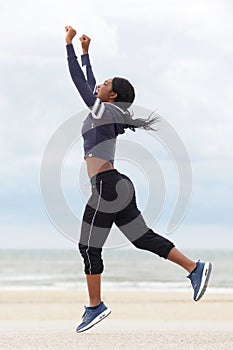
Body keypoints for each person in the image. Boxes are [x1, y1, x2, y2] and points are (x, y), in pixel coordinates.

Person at [64, 26, 212, 333]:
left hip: (107, 186)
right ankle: (194, 268)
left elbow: (80, 82)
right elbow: (91, 83)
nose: (99, 85)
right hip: (117, 185)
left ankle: (95, 306)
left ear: (112, 95)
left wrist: (68, 46)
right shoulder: (107, 110)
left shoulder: (104, 111)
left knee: (88, 247)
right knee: (141, 238)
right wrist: (86, 52)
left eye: (105, 84)